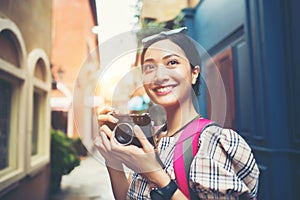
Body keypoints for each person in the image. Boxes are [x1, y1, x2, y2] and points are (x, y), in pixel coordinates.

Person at [94, 27, 259, 200]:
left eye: (172, 62)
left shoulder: (212, 141)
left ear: (194, 73)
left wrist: (157, 176)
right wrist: (112, 159)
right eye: (149, 67)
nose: (159, 76)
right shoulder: (152, 138)